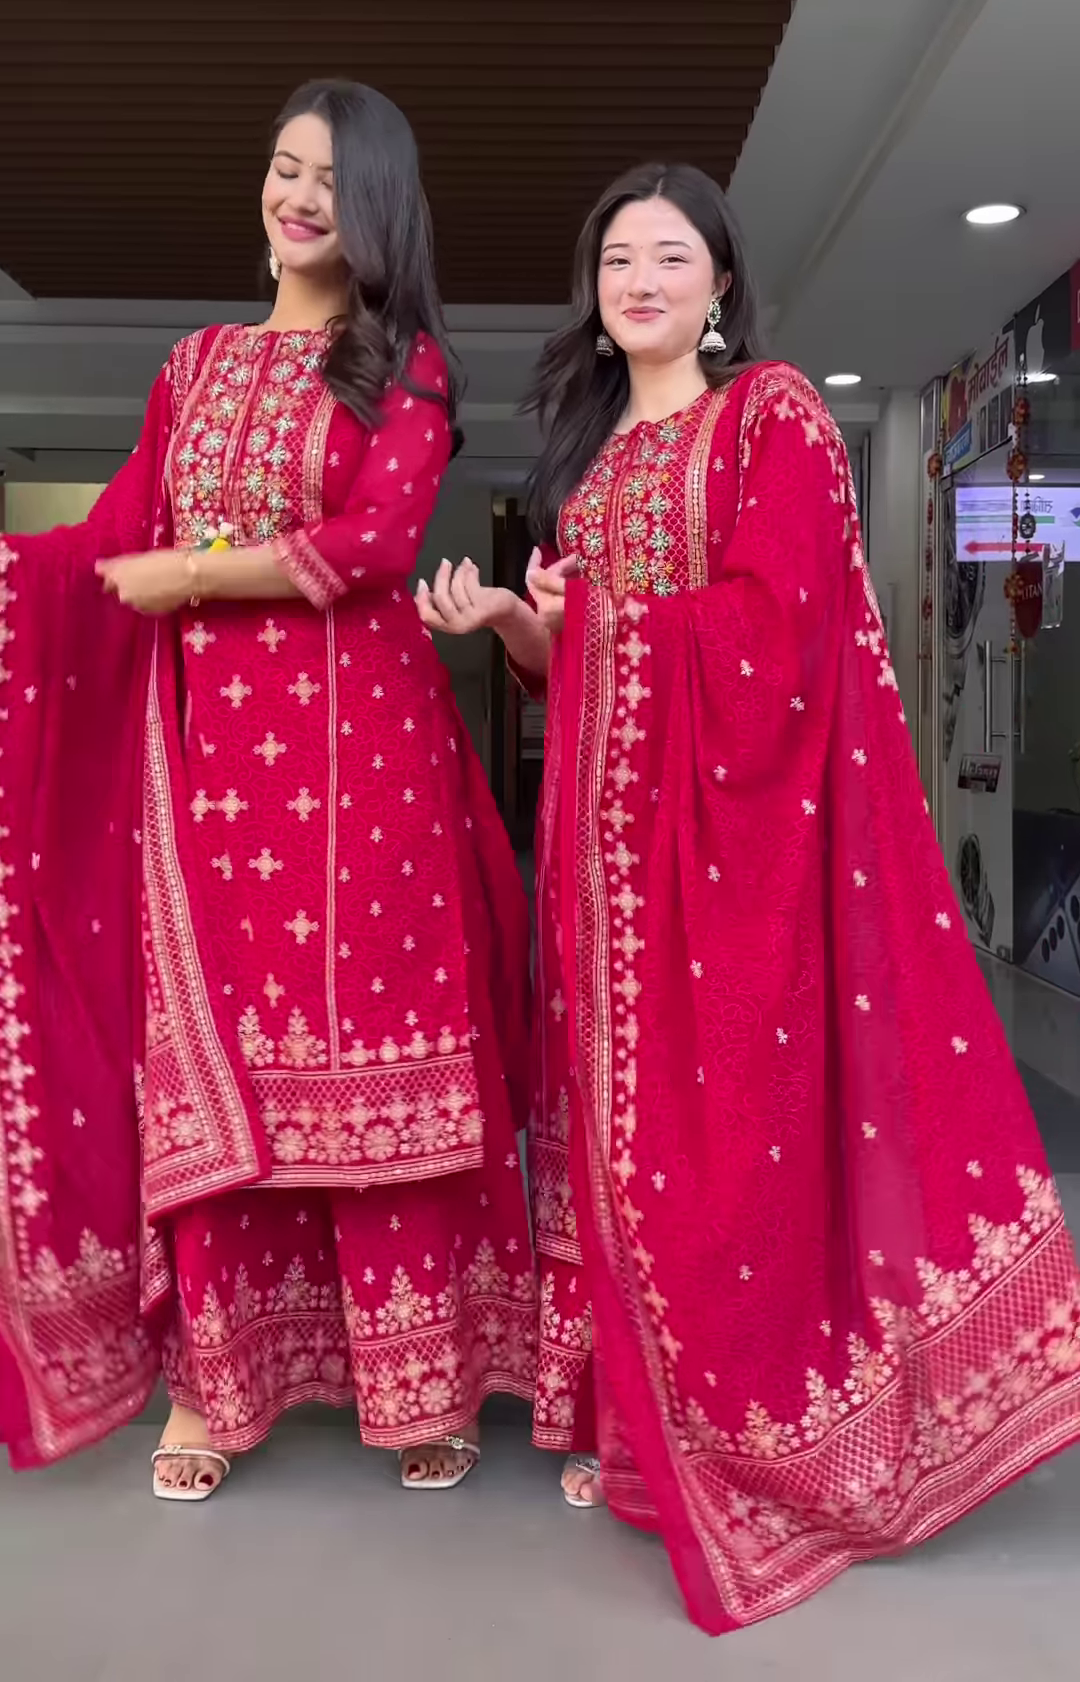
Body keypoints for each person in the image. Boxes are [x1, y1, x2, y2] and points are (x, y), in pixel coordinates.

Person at [417, 162, 1080, 1632]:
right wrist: (524, 620)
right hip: (603, 863)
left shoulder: (768, 415)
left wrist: (581, 615)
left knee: (730, 1129)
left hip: (736, 859)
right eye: (615, 263)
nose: (639, 281)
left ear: (722, 283)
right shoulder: (593, 466)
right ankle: (622, 1410)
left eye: (670, 256)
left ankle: (748, 1411)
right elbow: (569, 675)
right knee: (606, 1114)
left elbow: (778, 633)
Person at [0, 79, 535, 1501]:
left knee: (385, 1060)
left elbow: (376, 541)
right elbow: (117, 533)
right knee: (229, 1066)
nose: (298, 198)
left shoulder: (403, 360)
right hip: (220, 788)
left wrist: (194, 575)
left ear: (376, 212)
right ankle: (220, 1390)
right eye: (283, 169)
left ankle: (422, 1375)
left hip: (372, 770)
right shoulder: (190, 366)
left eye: (329, 180)